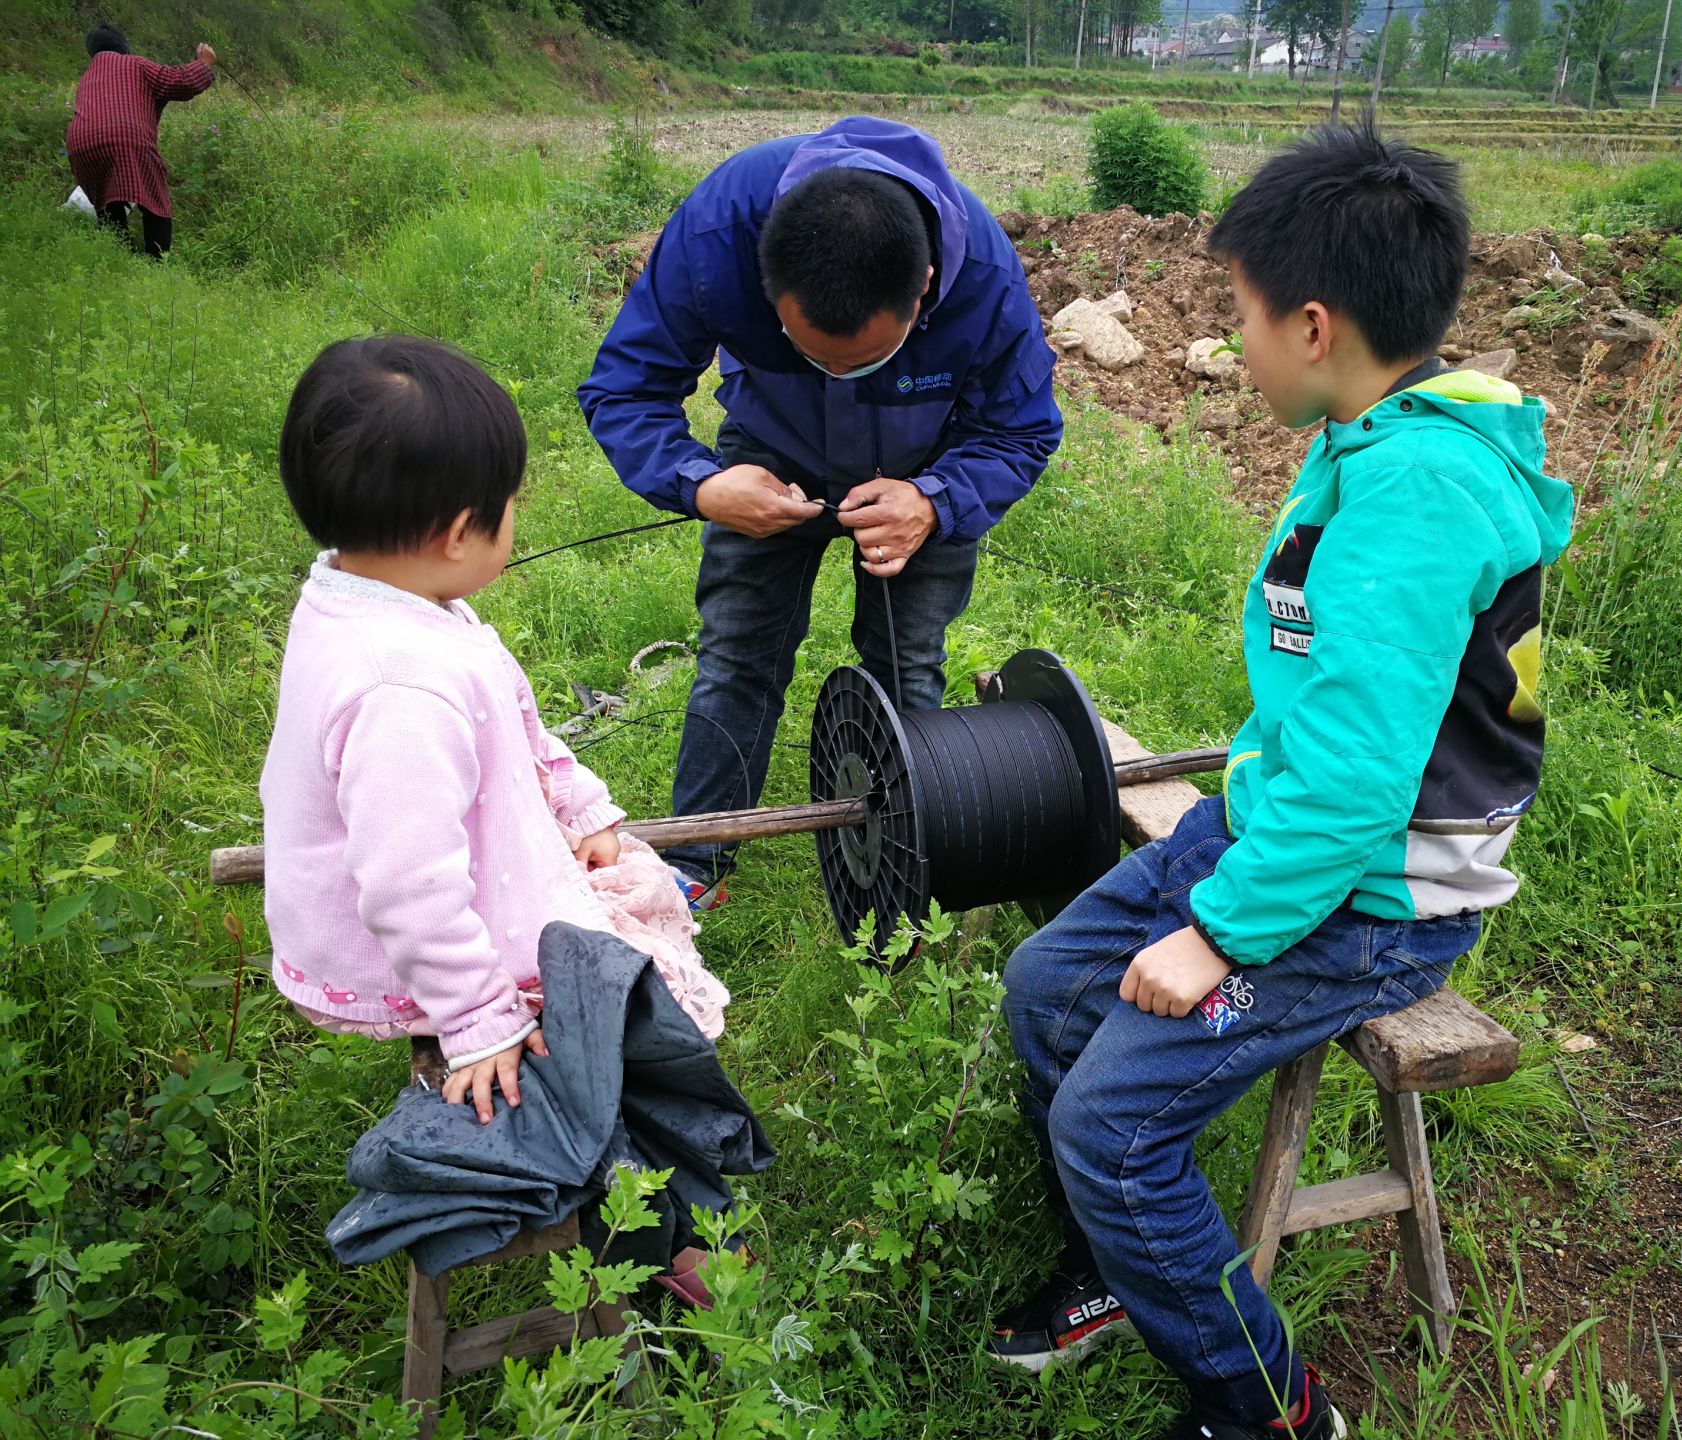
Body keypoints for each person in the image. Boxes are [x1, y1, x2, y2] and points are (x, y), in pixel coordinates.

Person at [987, 124, 1574, 1440]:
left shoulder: (1413, 496)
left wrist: (1216, 936)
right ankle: (1120, 1258)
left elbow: (1360, 787)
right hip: (1290, 836)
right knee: (1045, 990)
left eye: (1241, 314)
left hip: (1378, 896)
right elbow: (1332, 736)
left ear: (1315, 327)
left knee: (1111, 1127)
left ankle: (1269, 1411)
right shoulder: (1375, 437)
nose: (1231, 342)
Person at [579, 116, 1061, 909]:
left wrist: (934, 502)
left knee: (907, 661)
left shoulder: (984, 278)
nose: (837, 377)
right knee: (739, 652)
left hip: (926, 466)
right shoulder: (718, 233)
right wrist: (703, 485)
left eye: (864, 360)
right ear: (765, 286)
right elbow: (625, 388)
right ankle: (695, 864)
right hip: (769, 449)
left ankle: (899, 866)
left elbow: (1022, 430)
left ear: (925, 287)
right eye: (812, 357)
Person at [260, 335, 731, 1127]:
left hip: (443, 880)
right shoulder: (399, 690)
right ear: (457, 533)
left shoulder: (383, 596)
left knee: (623, 886)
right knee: (629, 1002)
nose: (517, 514)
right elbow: (409, 888)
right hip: (409, 952)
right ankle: (621, 1158)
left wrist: (580, 808)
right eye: (510, 501)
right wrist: (480, 1019)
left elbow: (518, 723)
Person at [66, 25, 216, 258]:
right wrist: (204, 63)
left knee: (107, 204)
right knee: (155, 201)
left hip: (80, 145)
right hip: (125, 137)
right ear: (125, 48)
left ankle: (118, 260)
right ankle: (158, 264)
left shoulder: (87, 78)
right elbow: (180, 81)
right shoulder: (135, 64)